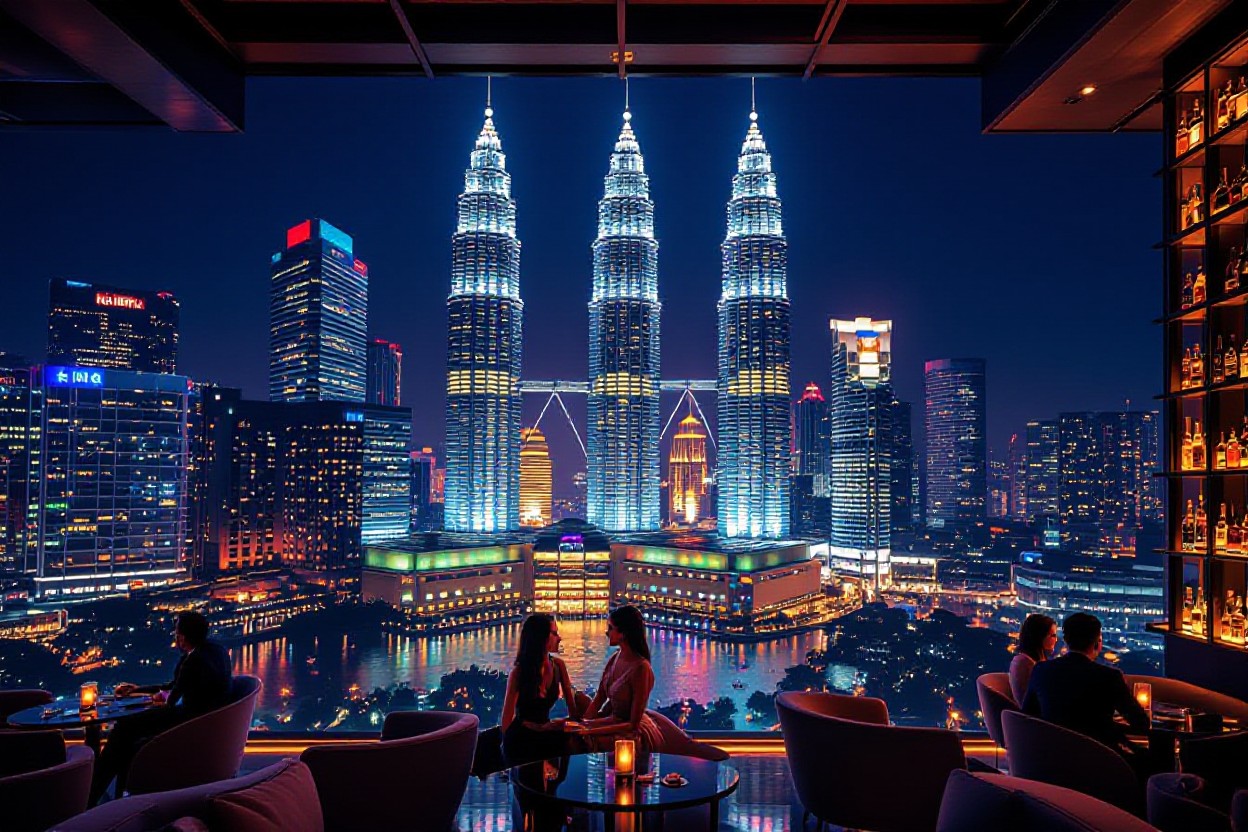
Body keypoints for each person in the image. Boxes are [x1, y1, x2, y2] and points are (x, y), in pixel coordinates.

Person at [90, 611, 233, 803]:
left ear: (182, 637)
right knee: (126, 733)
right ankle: (110, 793)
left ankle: (92, 791)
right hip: (203, 725)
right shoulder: (216, 651)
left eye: (176, 632)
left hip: (185, 725)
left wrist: (146, 699)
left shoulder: (193, 661)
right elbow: (174, 687)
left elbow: (171, 698)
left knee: (124, 729)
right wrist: (138, 690)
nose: (175, 637)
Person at [1022, 612, 1151, 769]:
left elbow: (1027, 715)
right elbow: (1141, 723)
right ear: (1098, 643)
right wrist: (1109, 725)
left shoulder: (1041, 670)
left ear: (1066, 641)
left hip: (1052, 761)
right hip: (1102, 762)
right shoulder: (1109, 677)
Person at [573, 605, 663, 754]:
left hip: (629, 734)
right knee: (571, 736)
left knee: (579, 743)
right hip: (613, 722)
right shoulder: (615, 658)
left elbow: (632, 724)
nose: (606, 632)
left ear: (623, 633)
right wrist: (583, 723)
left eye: (611, 628)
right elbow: (599, 698)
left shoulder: (641, 668)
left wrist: (590, 729)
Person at [500, 613, 579, 766]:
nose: (559, 638)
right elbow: (506, 721)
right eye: (554, 633)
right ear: (541, 637)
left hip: (546, 732)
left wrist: (560, 723)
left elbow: (573, 713)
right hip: (522, 737)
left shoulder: (558, 666)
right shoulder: (519, 673)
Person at [1010, 613, 1057, 704]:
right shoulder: (1026, 664)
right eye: (1052, 636)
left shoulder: (1024, 660)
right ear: (1039, 636)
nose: (1056, 640)